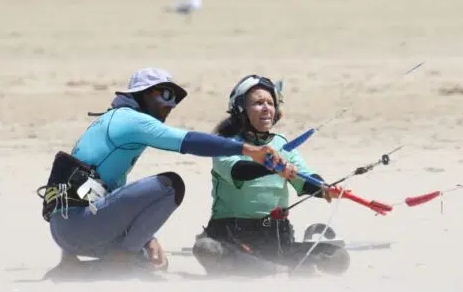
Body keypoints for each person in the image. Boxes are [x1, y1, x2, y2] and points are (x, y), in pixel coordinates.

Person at [36, 67, 289, 278]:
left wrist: (148, 238)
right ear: (142, 95)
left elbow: (83, 188)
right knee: (171, 185)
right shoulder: (131, 120)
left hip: (65, 231)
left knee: (151, 260)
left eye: (175, 98)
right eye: (164, 95)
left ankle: (72, 268)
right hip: (80, 227)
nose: (170, 104)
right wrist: (248, 149)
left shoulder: (109, 121)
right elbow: (188, 141)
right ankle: (120, 259)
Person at [191, 74, 351, 277]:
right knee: (205, 248)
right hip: (232, 236)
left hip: (274, 238)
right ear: (241, 110)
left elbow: (305, 179)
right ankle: (273, 268)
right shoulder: (225, 144)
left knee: (338, 258)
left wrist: (324, 188)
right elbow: (240, 171)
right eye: (258, 103)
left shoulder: (281, 144)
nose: (266, 108)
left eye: (270, 103)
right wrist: (273, 166)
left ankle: (269, 267)